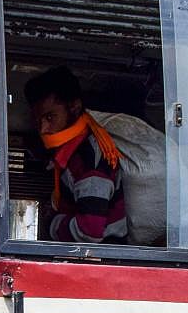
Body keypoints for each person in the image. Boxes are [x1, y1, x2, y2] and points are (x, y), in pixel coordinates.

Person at [25, 65, 127, 245]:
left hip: (105, 260)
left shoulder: (88, 157)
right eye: (38, 120)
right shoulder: (70, 154)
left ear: (74, 107)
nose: (43, 129)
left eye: (50, 118)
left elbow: (89, 231)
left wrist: (52, 223)